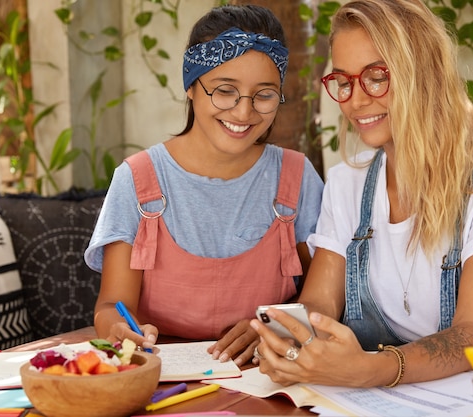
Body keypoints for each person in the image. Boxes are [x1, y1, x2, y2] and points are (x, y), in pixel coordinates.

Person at [249, 0, 473, 387]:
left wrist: (371, 370)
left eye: (376, 76)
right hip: (383, 395)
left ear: (424, 75)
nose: (356, 100)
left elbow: (472, 334)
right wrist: (289, 340)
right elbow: (321, 304)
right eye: (343, 81)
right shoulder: (347, 183)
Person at [84, 4, 323, 366]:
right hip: (159, 374)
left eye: (264, 94)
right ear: (191, 87)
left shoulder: (297, 177)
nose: (244, 113)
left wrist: (274, 325)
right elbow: (111, 306)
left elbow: (324, 296)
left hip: (267, 376)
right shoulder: (137, 179)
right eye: (225, 90)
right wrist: (117, 328)